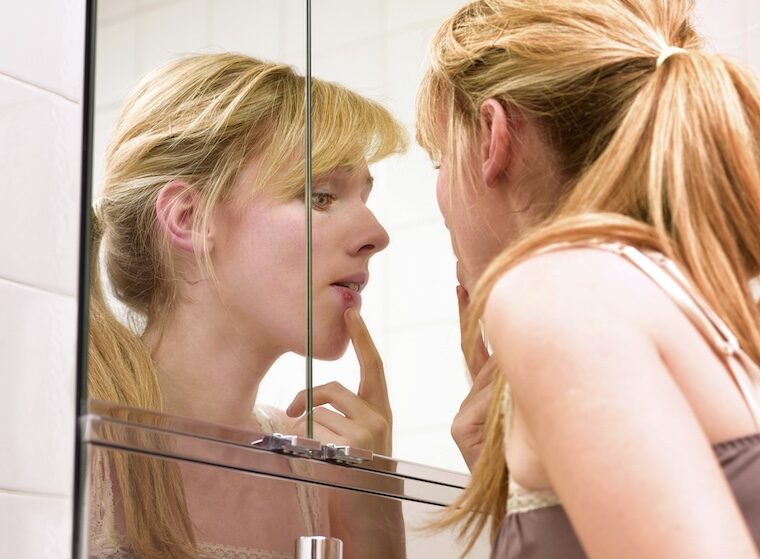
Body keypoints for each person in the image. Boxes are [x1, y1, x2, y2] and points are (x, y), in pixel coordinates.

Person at [416, 1, 760, 557]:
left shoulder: (557, 288)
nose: (442, 197)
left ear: (491, 136)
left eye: (439, 161)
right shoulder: (707, 300)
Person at [88, 52, 406, 558]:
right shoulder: (73, 449)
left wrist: (374, 517)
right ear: (190, 218)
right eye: (321, 196)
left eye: (365, 198)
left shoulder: (324, 477)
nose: (377, 235)